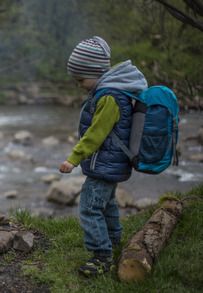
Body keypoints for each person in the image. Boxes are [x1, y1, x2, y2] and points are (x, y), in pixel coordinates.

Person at [59, 36, 148, 276]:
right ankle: (114, 241)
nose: (79, 85)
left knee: (89, 207)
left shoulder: (109, 97)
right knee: (106, 204)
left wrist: (73, 158)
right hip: (109, 164)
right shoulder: (112, 92)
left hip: (105, 165)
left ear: (95, 72)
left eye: (81, 79)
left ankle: (101, 256)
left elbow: (96, 133)